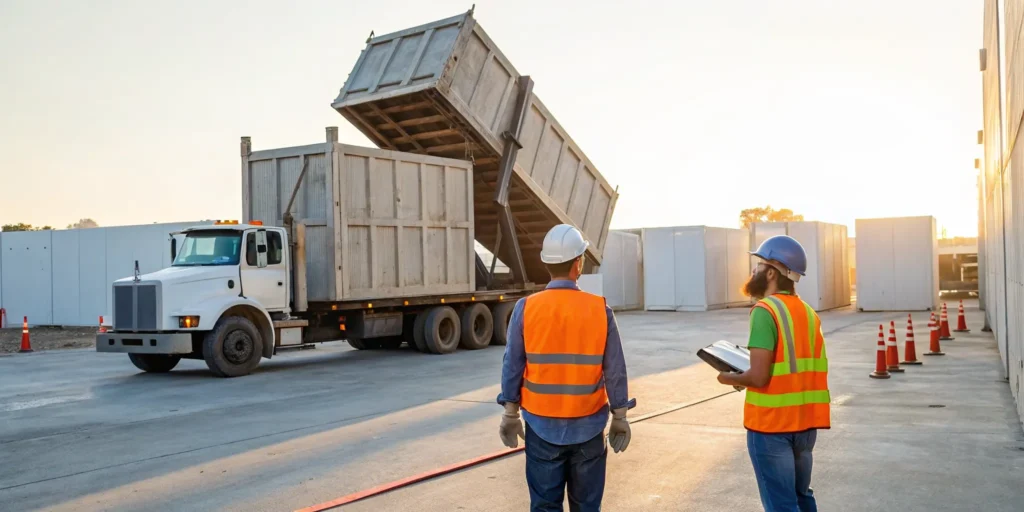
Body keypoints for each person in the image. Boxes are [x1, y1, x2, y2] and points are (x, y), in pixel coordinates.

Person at [497, 224, 632, 512]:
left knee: (545, 506)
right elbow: (615, 368)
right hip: (589, 427)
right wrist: (619, 415)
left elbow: (512, 364)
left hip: (542, 427)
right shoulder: (599, 310)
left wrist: (510, 412)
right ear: (578, 264)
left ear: (546, 264)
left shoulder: (526, 308)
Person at [716, 235, 830, 512]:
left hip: (772, 427)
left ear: (771, 271)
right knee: (802, 497)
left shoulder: (764, 311)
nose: (753, 270)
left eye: (758, 264)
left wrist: (728, 377)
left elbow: (758, 377)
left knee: (781, 505)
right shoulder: (808, 313)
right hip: (805, 425)